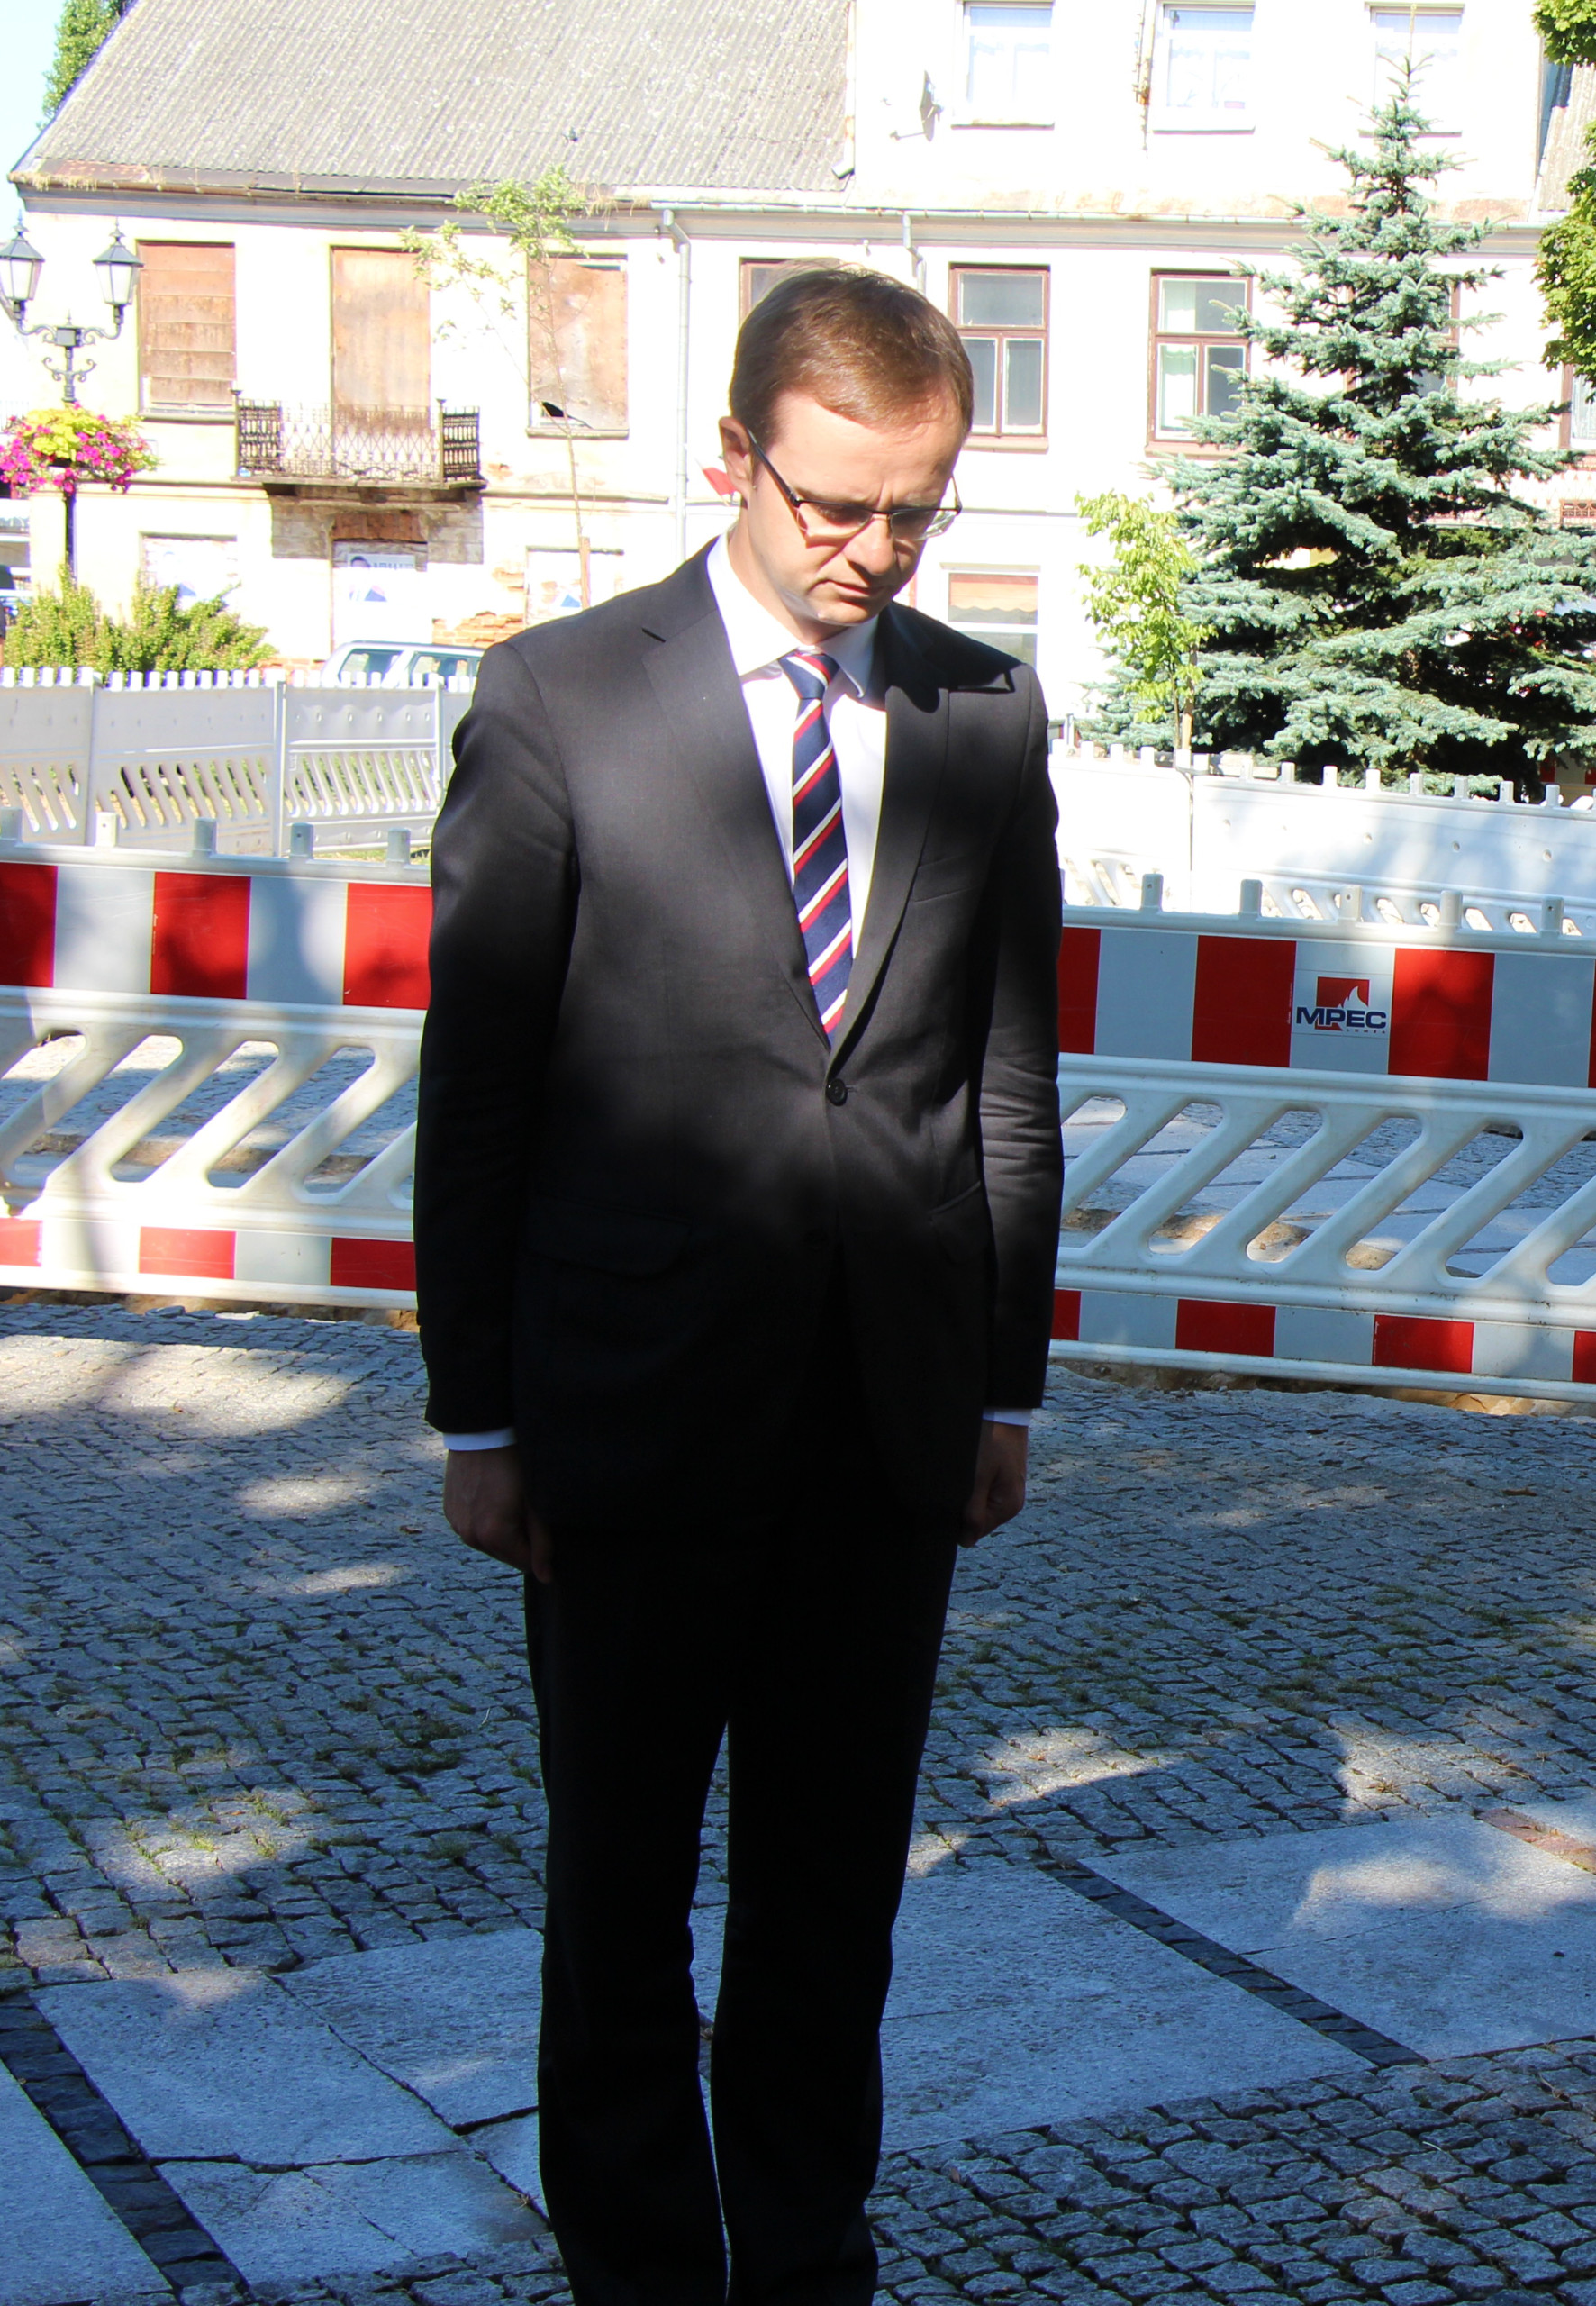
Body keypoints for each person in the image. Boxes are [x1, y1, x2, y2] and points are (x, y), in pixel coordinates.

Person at [415, 267, 1065, 2305]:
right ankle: (638, 2275)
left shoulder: (982, 712)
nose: (874, 550)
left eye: (916, 512)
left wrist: (1003, 1387)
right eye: (835, 506)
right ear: (736, 459)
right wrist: (479, 1413)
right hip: (626, 1405)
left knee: (830, 1900)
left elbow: (1006, 1071)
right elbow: (481, 1085)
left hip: (884, 1415)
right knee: (618, 1897)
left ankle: (802, 2260)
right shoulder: (560, 702)